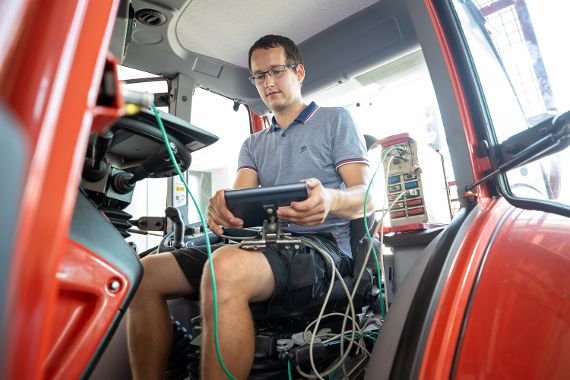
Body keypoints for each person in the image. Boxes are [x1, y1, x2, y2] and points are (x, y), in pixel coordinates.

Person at [127, 34, 374, 380]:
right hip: (265, 243)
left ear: (298, 72)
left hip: (323, 248)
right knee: (144, 273)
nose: (268, 82)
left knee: (224, 267)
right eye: (259, 76)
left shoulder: (336, 121)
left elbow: (367, 196)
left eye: (276, 71)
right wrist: (222, 207)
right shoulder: (253, 144)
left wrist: (330, 199)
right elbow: (239, 203)